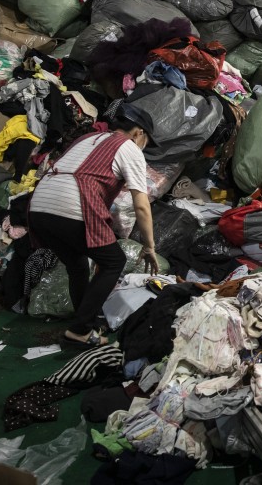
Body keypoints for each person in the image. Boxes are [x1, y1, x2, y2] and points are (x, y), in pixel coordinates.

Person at [28, 103, 159, 346]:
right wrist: (150, 247)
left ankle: (85, 322)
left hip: (39, 206)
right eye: (147, 140)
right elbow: (141, 204)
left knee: (77, 264)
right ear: (138, 133)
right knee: (114, 261)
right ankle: (79, 330)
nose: (144, 146)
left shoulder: (88, 138)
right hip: (70, 206)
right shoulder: (129, 148)